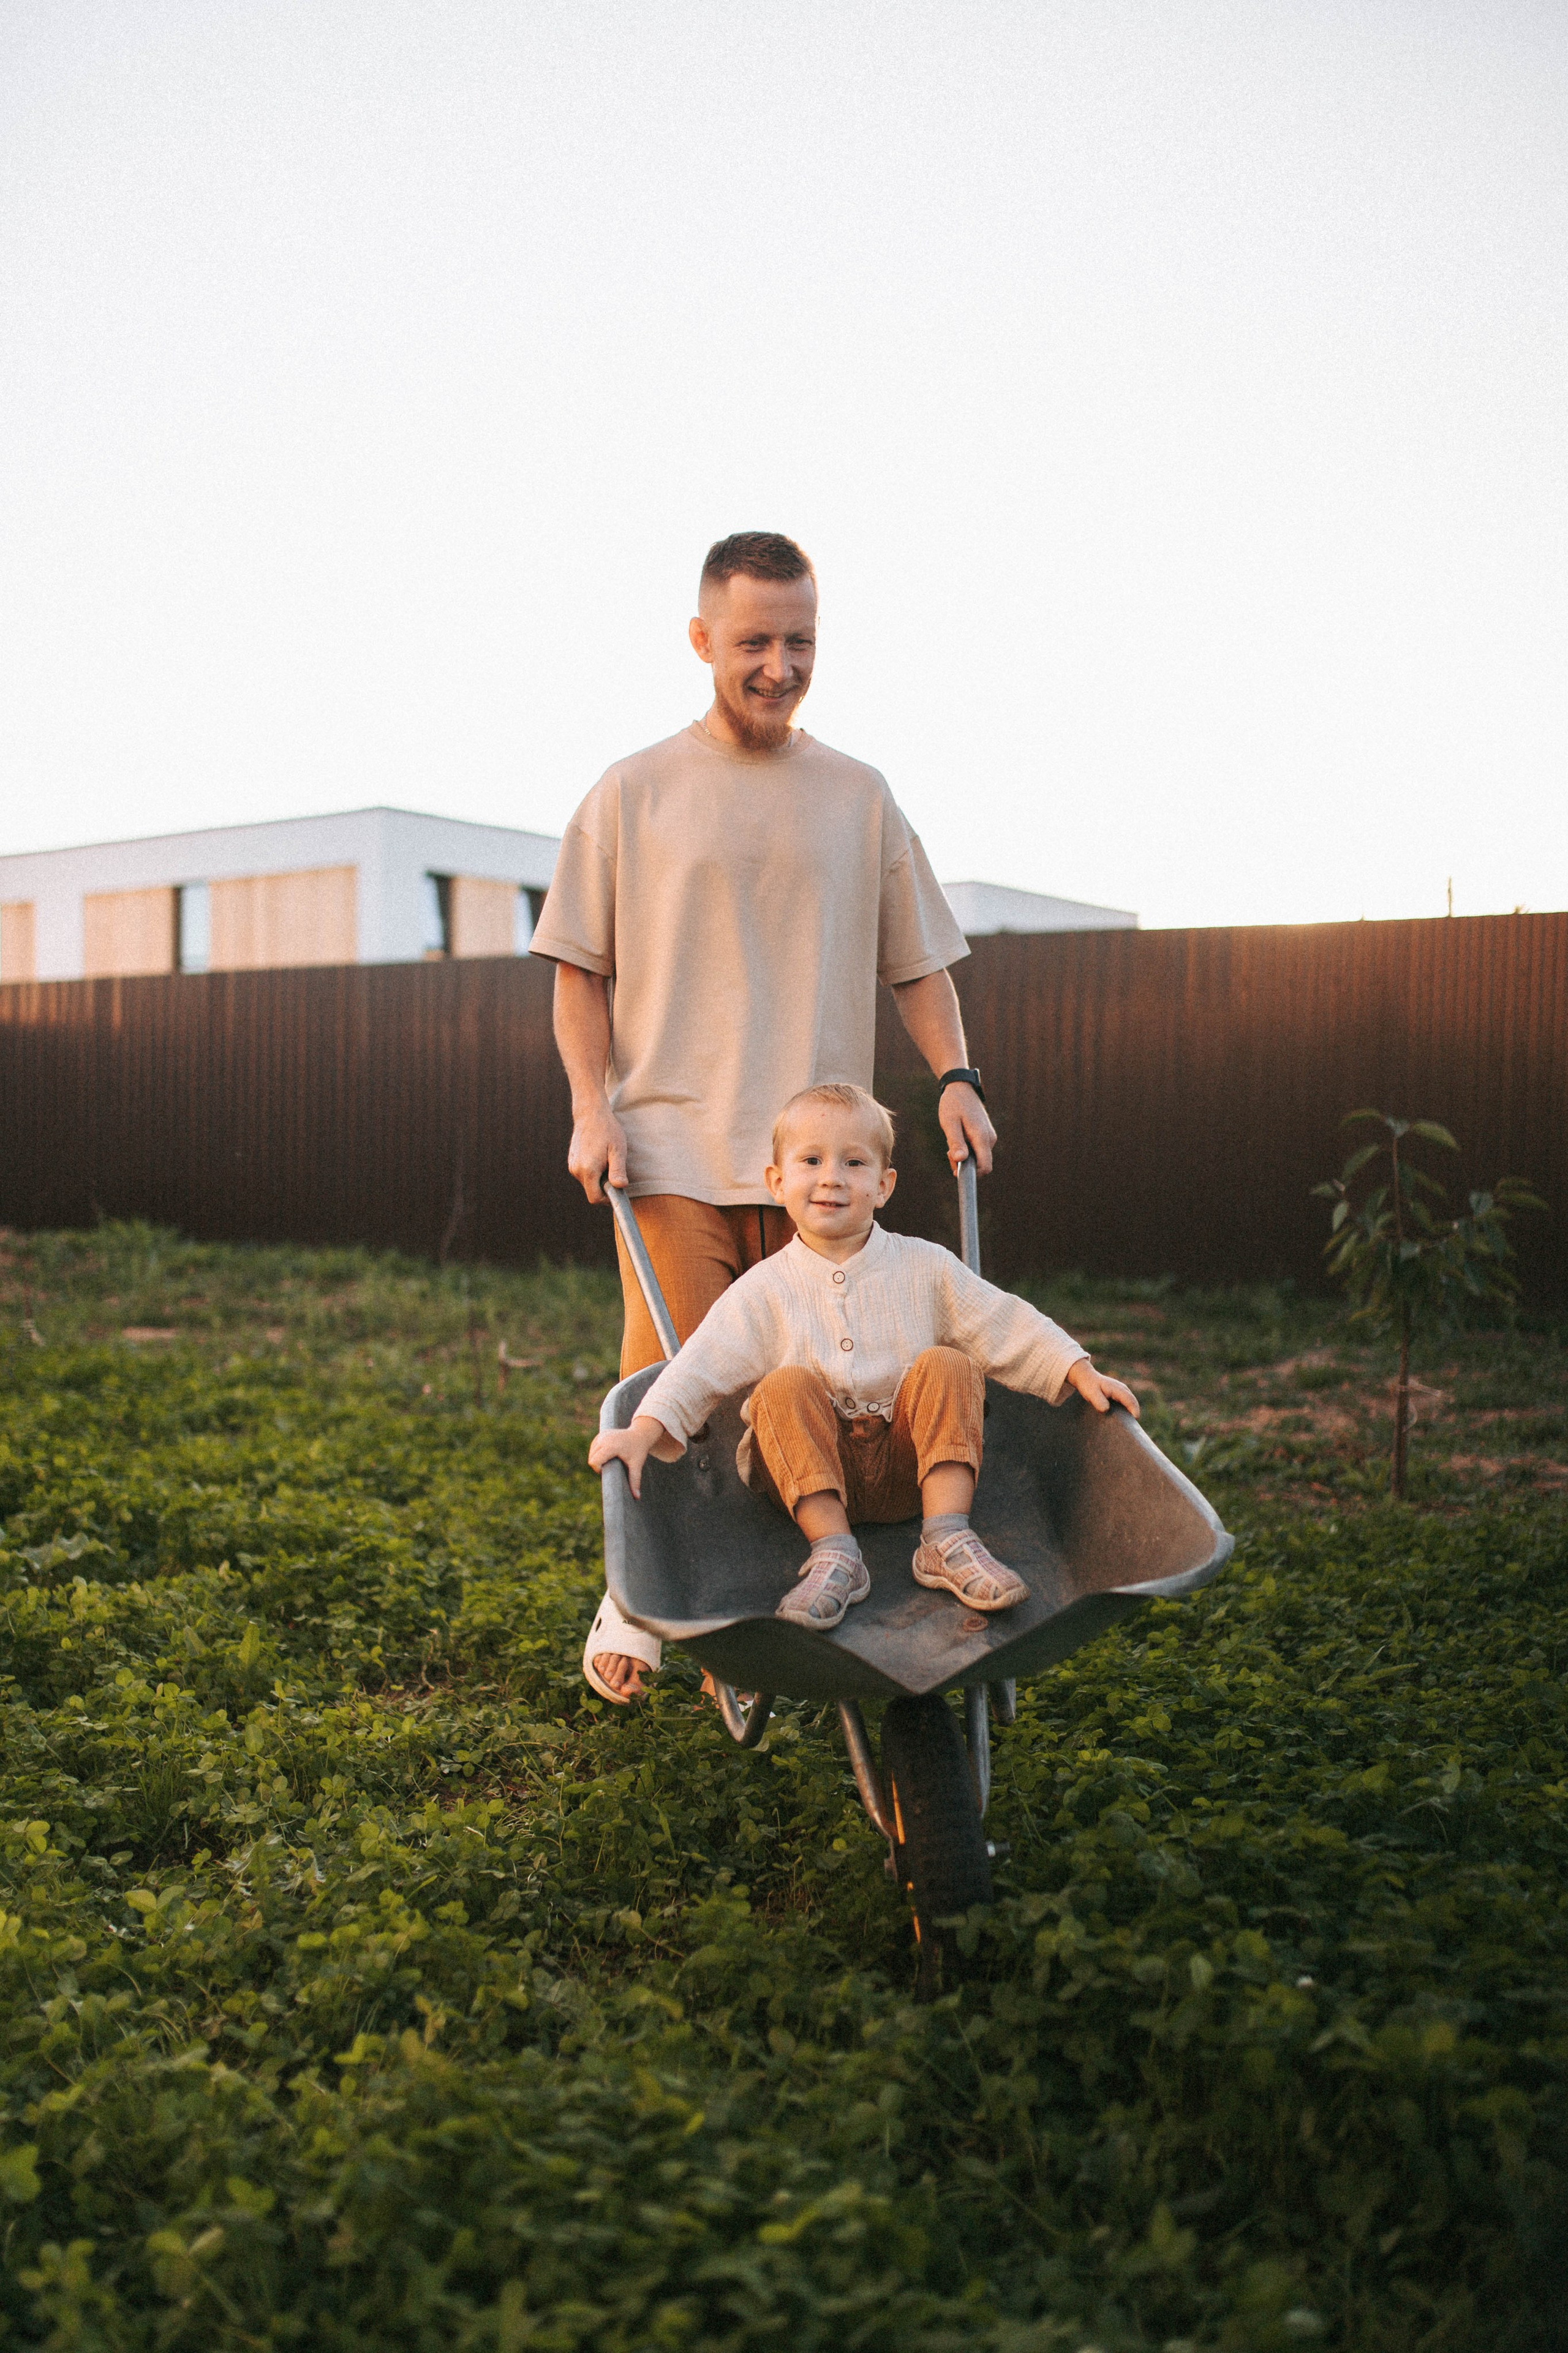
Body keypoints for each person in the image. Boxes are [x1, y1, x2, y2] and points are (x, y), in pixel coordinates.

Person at [530, 529, 996, 1701]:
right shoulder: (633, 793)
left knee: (826, 1398)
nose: (779, 665)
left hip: (819, 1169)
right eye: (753, 643)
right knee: (684, 1384)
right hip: (675, 1147)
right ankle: (648, 1601)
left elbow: (920, 963)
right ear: (701, 641)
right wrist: (592, 1108)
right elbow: (577, 969)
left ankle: (768, 1614)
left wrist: (956, 1077)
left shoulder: (859, 797)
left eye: (800, 642)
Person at [589, 1082, 1140, 1625]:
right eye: (811, 1160)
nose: (831, 1176)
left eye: (854, 1163)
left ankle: (945, 1536)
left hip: (911, 1469)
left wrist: (1075, 1366)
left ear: (884, 1185)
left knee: (949, 1363)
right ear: (777, 1182)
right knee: (781, 1388)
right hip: (811, 1475)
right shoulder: (764, 1289)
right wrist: (643, 1430)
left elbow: (1002, 1320)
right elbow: (700, 1364)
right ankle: (835, 1554)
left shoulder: (925, 1266)